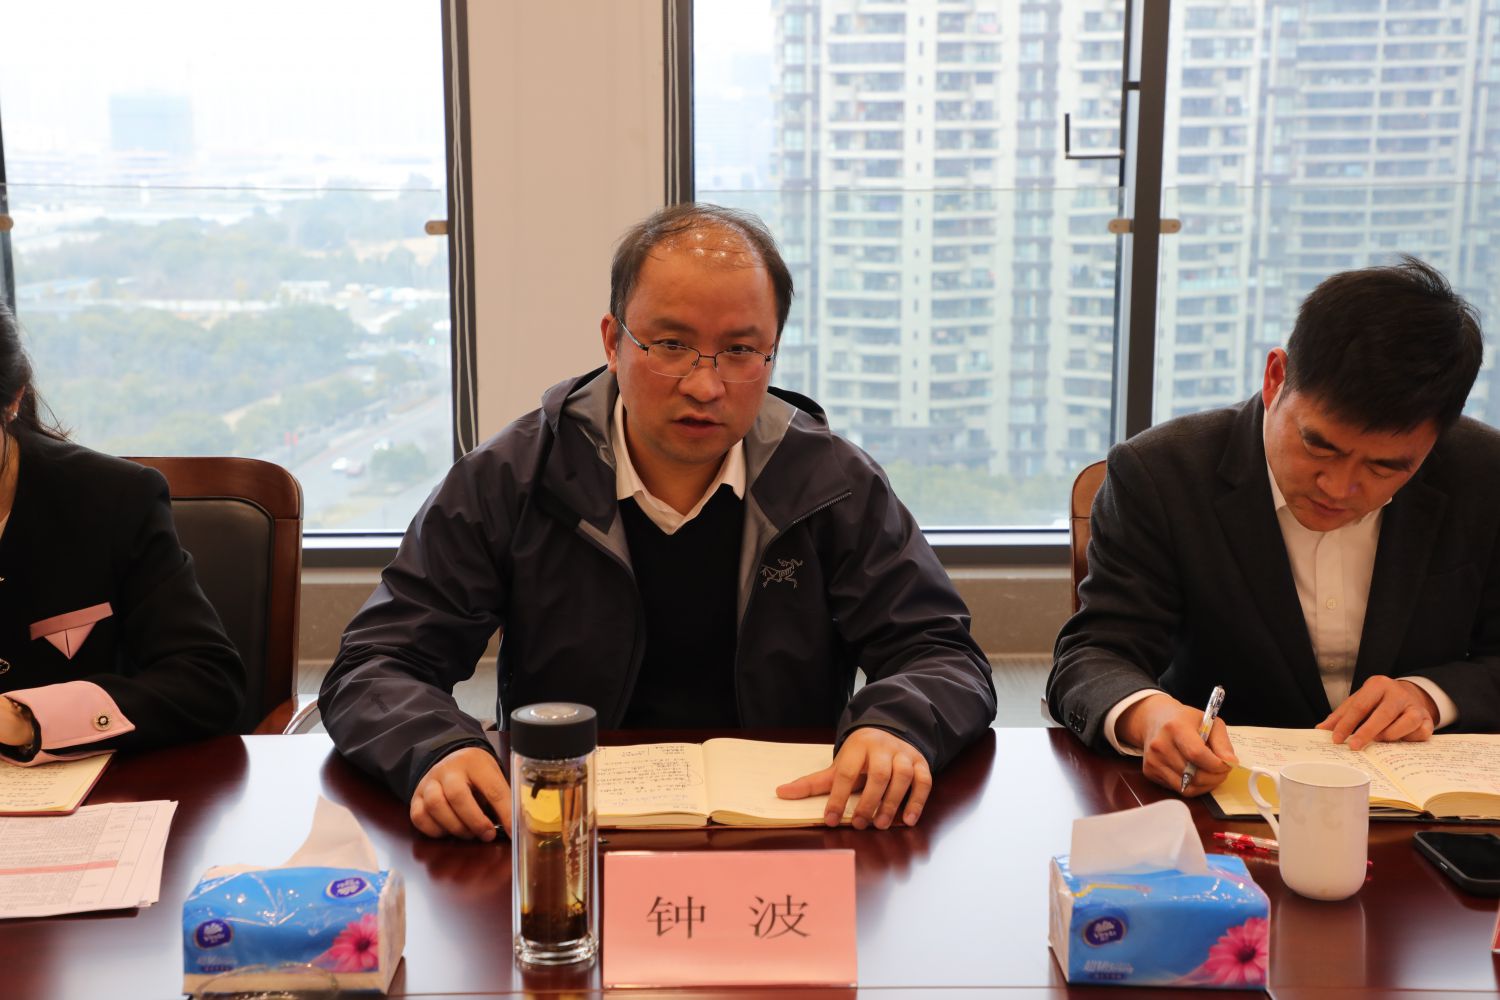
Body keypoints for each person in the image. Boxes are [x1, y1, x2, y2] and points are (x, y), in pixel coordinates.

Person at [321, 203, 997, 840]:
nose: (705, 385)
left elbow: (941, 653)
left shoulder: (831, 483)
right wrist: (438, 747)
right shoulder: (513, 477)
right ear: (613, 341)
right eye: (671, 344)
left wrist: (896, 727)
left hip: (782, 832)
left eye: (741, 351)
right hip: (570, 833)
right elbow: (377, 663)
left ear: (772, 354)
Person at [1048, 256, 1500, 795]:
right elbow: (1096, 653)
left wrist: (1431, 695)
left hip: (1427, 805)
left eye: (1384, 467)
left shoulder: (1483, 475)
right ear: (1275, 378)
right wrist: (1149, 715)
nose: (1338, 487)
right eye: (1319, 446)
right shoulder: (1162, 474)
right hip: (1220, 795)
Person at [0, 304, 245, 763]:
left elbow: (207, 681)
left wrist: (27, 718)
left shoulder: (114, 498)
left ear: (13, 399)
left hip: (84, 788)